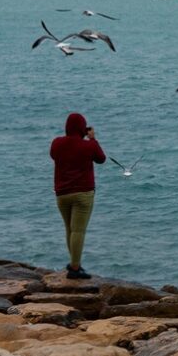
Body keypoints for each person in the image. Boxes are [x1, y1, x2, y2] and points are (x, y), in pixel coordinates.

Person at [50, 113, 106, 279]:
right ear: (83, 128)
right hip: (83, 193)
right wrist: (92, 139)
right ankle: (75, 268)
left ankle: (74, 263)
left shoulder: (57, 143)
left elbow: (53, 155)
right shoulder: (88, 146)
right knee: (79, 231)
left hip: (62, 194)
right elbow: (101, 159)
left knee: (70, 229)